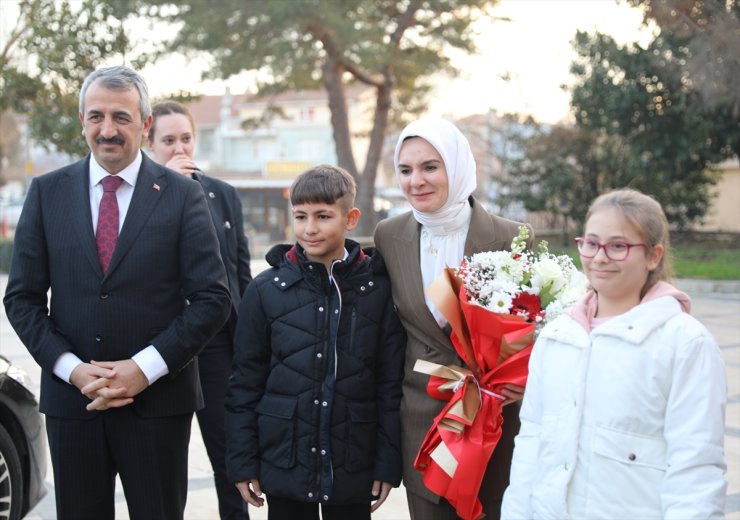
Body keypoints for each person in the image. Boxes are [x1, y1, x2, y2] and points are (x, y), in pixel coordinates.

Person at [3, 66, 231, 520]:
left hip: (158, 406)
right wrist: (73, 370)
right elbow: (22, 298)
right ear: (82, 121)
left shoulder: (183, 196)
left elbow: (212, 299)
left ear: (145, 124)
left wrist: (143, 369)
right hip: (74, 404)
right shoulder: (47, 193)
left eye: (121, 117)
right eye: (96, 116)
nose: (107, 130)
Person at [501, 188, 727, 519]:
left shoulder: (685, 343)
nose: (600, 257)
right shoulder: (556, 338)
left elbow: (696, 469)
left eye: (618, 246)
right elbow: (531, 445)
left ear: (653, 255)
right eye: (591, 243)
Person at [225, 164, 406, 520]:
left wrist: (387, 463)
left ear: (350, 217)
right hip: (285, 458)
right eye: (301, 216)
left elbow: (389, 384)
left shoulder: (378, 290)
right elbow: (244, 382)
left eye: (323, 216)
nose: (310, 228)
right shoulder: (265, 290)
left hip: (353, 460)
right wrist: (242, 462)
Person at [373, 117, 531, 520]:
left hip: (493, 421)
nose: (416, 181)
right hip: (423, 419)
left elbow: (534, 329)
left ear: (457, 167)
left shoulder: (511, 237)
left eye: (430, 167)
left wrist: (522, 384)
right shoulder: (388, 236)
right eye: (405, 170)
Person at [148, 100, 252, 520]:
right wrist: (166, 190)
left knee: (231, 465)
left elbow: (239, 274)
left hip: (218, 347)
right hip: (163, 348)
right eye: (168, 140)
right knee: (163, 471)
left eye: (185, 138)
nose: (179, 148)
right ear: (149, 143)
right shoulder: (140, 197)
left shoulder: (223, 195)